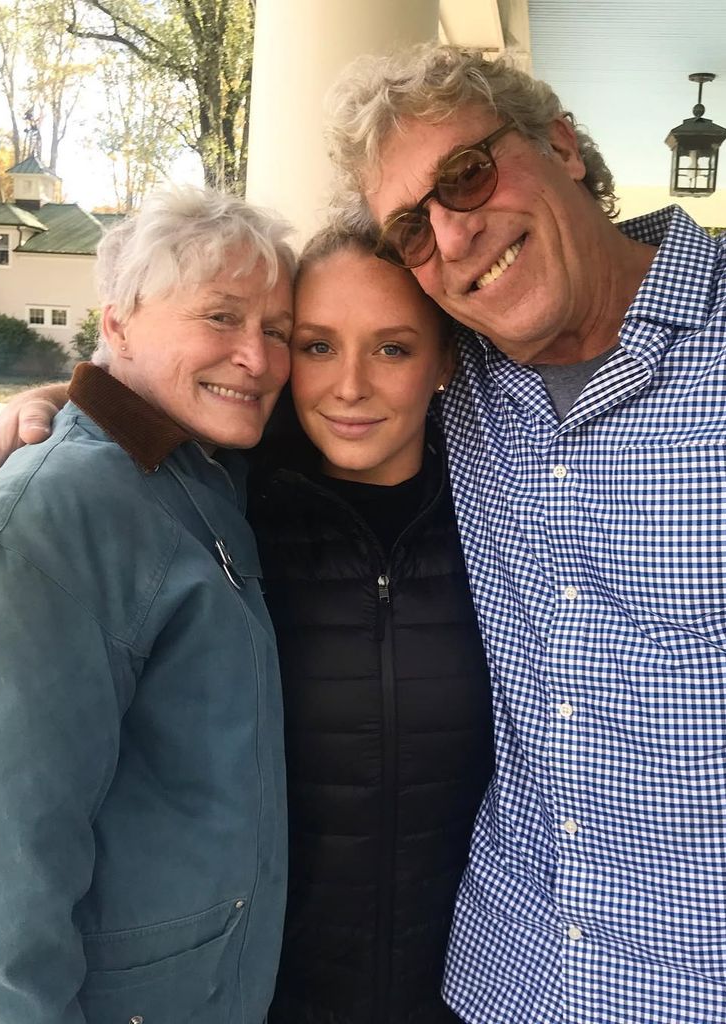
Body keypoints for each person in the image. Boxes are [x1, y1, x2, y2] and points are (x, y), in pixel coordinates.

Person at [319, 43, 726, 1024]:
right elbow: (294, 378)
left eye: (467, 172)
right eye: (411, 228)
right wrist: (88, 417)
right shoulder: (458, 381)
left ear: (563, 147)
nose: (452, 233)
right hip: (509, 973)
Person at [0, 186, 293, 1023]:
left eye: (278, 331)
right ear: (116, 325)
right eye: (220, 318)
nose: (257, 358)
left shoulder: (195, 472)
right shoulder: (50, 518)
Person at [249, 224, 493, 1024]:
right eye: (317, 347)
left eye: (391, 349)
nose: (348, 385)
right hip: (270, 994)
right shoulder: (225, 517)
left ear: (445, 361)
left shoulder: (506, 522)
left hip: (466, 991)